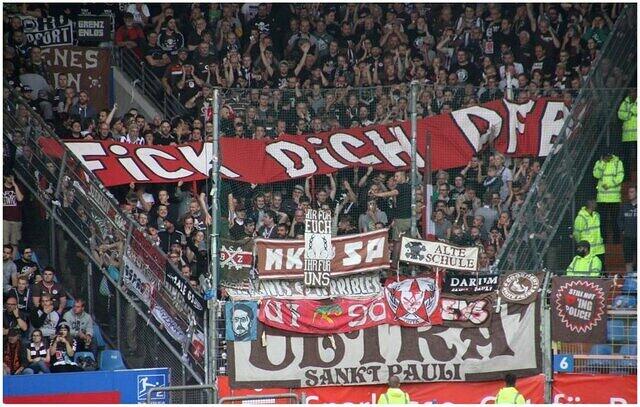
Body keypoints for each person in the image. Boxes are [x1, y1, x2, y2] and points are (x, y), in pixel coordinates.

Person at [593, 153, 624, 243]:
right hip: (602, 198)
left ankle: (616, 240)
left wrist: (609, 185)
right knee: (602, 220)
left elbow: (620, 177)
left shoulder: (618, 162)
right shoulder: (599, 162)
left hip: (614, 198)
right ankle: (603, 239)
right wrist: (602, 163)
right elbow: (596, 175)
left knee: (615, 220)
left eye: (608, 155)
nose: (606, 157)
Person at [573, 200, 605, 266]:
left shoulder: (597, 215)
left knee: (601, 270)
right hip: (587, 250)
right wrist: (582, 244)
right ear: (590, 203)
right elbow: (576, 234)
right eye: (594, 201)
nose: (596, 203)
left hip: (599, 250)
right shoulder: (580, 218)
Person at [618, 186, 637, 273]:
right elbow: (619, 220)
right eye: (629, 192)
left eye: (632, 192)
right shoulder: (624, 206)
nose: (630, 194)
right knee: (628, 260)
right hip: (628, 238)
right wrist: (623, 230)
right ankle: (630, 281)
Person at [617, 89, 636, 175]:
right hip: (627, 136)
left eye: (635, 92)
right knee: (627, 156)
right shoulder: (625, 103)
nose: (633, 94)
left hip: (637, 136)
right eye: (632, 92)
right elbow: (620, 114)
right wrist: (630, 114)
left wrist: (631, 110)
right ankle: (627, 174)